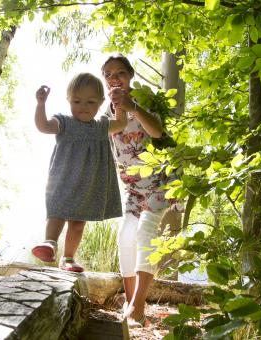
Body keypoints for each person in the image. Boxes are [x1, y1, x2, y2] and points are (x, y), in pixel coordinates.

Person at [101, 54, 182, 326]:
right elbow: (109, 140)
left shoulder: (145, 101)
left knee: (146, 232)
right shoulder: (105, 112)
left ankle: (138, 306)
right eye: (109, 74)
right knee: (125, 236)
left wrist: (132, 106)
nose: (115, 79)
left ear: (130, 75)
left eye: (120, 73)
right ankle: (129, 301)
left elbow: (157, 131)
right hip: (133, 188)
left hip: (160, 180)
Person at [31, 73, 127, 273]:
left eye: (91, 101)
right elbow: (43, 126)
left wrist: (119, 104)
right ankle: (49, 243)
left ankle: (68, 258)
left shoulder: (102, 125)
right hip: (63, 180)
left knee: (77, 224)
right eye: (77, 101)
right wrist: (41, 104)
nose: (83, 106)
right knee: (57, 213)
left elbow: (121, 123)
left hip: (88, 185)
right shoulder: (64, 122)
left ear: (101, 102)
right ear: (68, 101)